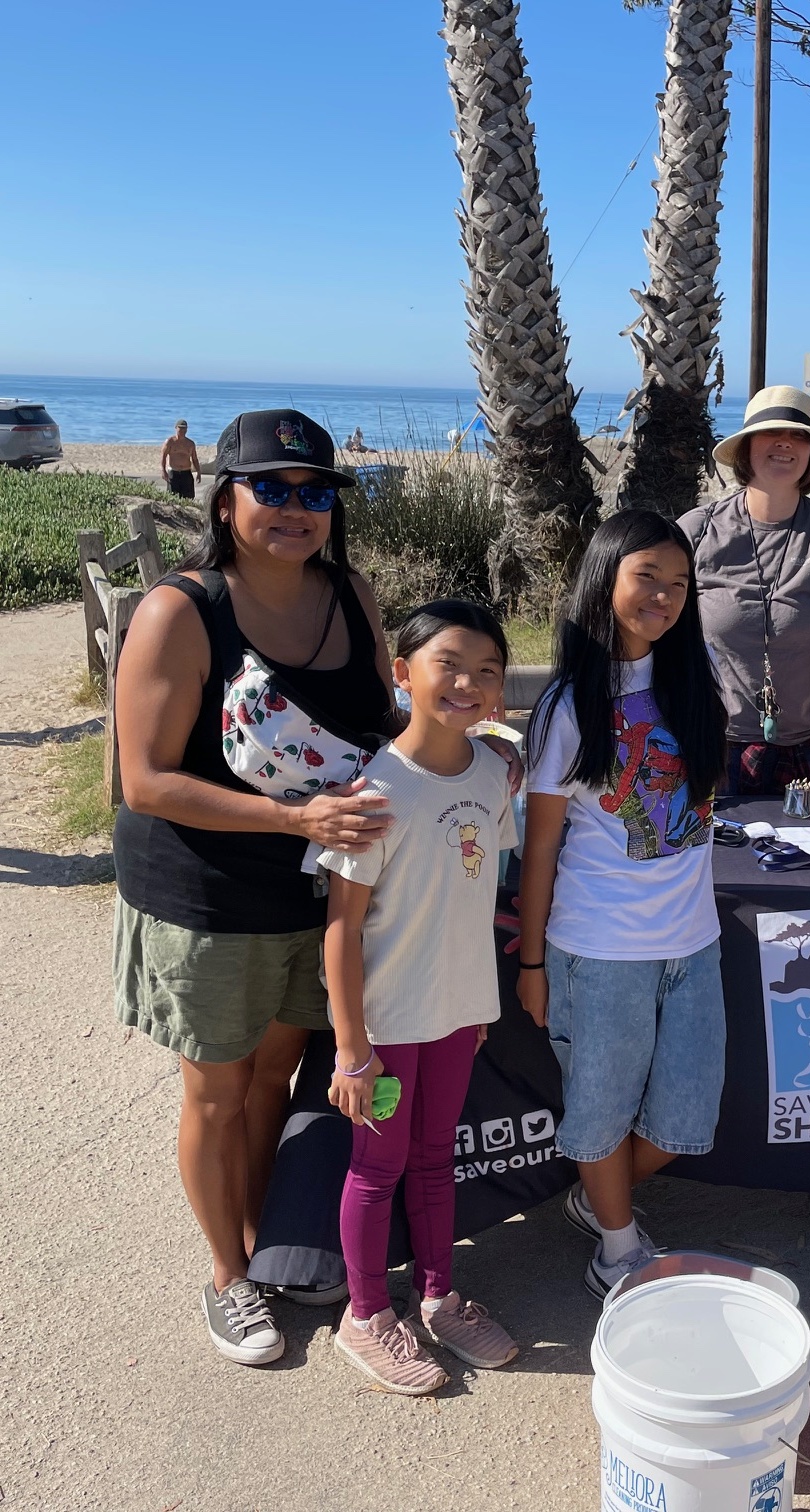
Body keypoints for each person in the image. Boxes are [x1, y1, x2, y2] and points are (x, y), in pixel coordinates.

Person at [114, 409, 396, 1366]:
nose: (294, 508)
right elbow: (144, 779)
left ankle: (263, 1243)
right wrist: (293, 821)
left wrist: (468, 752)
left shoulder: (350, 594)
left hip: (315, 901)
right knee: (215, 1095)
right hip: (206, 896)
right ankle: (228, 1276)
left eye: (314, 492)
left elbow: (378, 724)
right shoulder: (179, 611)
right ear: (223, 498)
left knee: (276, 1075)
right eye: (270, 488)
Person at [519, 509, 729, 1299]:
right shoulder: (569, 705)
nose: (665, 596)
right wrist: (533, 962)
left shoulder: (694, 678)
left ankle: (593, 1195)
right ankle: (616, 1245)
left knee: (682, 1123)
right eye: (648, 577)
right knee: (600, 1115)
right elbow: (540, 847)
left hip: (693, 945)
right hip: (598, 952)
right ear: (605, 579)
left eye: (680, 583)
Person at [322, 600, 521, 1395]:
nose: (468, 682)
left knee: (438, 1158)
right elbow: (340, 930)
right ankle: (365, 1315)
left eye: (488, 669)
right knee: (379, 1166)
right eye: (450, 664)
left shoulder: (493, 773)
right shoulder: (373, 791)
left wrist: (474, 1008)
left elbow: (476, 897)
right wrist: (350, 1046)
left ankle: (436, 1296)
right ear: (403, 674)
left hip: (457, 1015)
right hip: (387, 1026)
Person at [680, 385, 810, 831]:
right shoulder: (695, 533)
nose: (785, 443)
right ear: (746, 449)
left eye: (799, 435)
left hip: (806, 752)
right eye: (771, 433)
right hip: (707, 749)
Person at [160, 419, 201, 499]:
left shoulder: (190, 444)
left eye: (184, 428)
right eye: (180, 428)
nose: (182, 430)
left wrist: (199, 472)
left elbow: (194, 459)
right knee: (172, 497)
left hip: (186, 473)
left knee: (188, 498)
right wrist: (163, 470)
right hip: (173, 473)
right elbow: (163, 456)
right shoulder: (170, 442)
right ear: (176, 428)